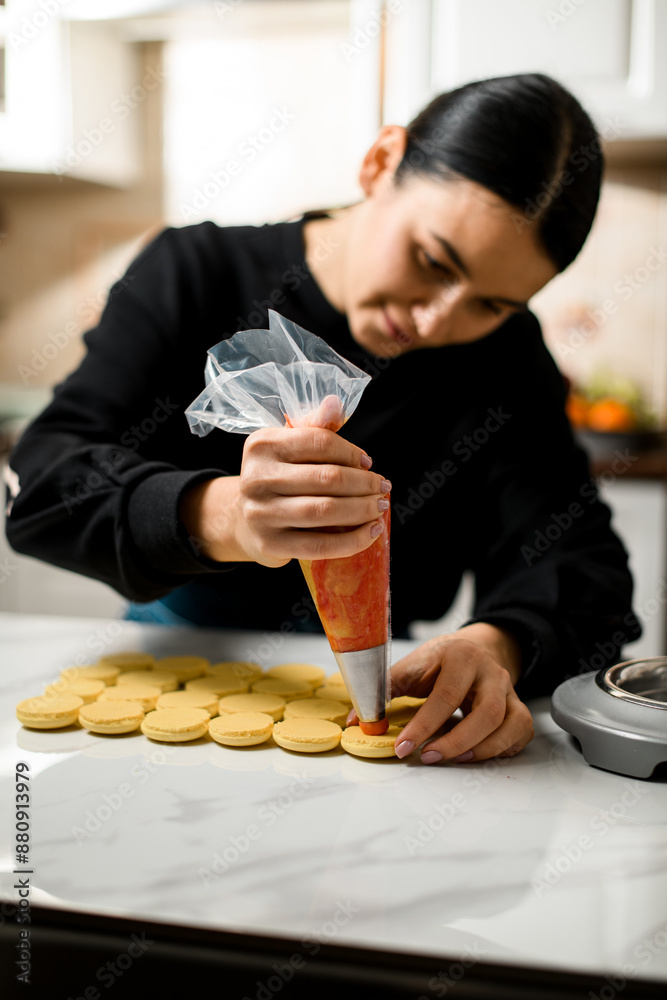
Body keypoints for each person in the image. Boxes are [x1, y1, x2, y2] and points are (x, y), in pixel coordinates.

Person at [4, 72, 641, 766]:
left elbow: (582, 570)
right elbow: (44, 486)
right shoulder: (196, 272)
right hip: (169, 682)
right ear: (380, 163)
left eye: (490, 304)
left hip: (385, 704)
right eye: (431, 260)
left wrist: (497, 645)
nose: (435, 320)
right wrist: (228, 516)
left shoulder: (506, 359)